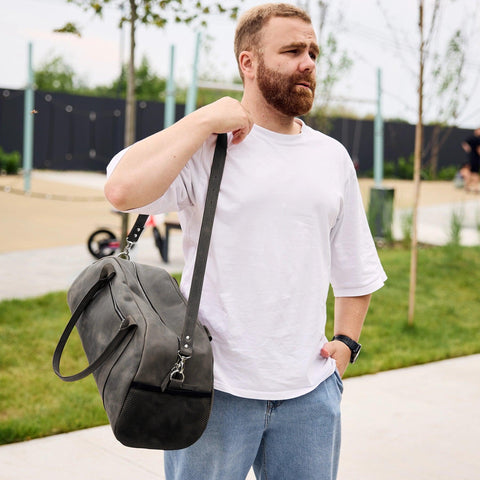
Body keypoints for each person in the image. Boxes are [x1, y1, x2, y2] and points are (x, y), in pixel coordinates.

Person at [104, 3, 387, 479]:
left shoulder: (331, 158)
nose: (309, 63)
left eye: (313, 52)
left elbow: (356, 265)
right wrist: (201, 121)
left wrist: (346, 345)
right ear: (248, 63)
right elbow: (121, 190)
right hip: (212, 391)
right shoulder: (209, 145)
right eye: (293, 50)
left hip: (309, 397)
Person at [461, 127, 480, 192]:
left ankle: (469, 187)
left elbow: (464, 143)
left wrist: (467, 148)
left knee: (473, 174)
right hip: (474, 159)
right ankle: (474, 188)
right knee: (474, 173)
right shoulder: (476, 139)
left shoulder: (472, 138)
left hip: (471, 158)